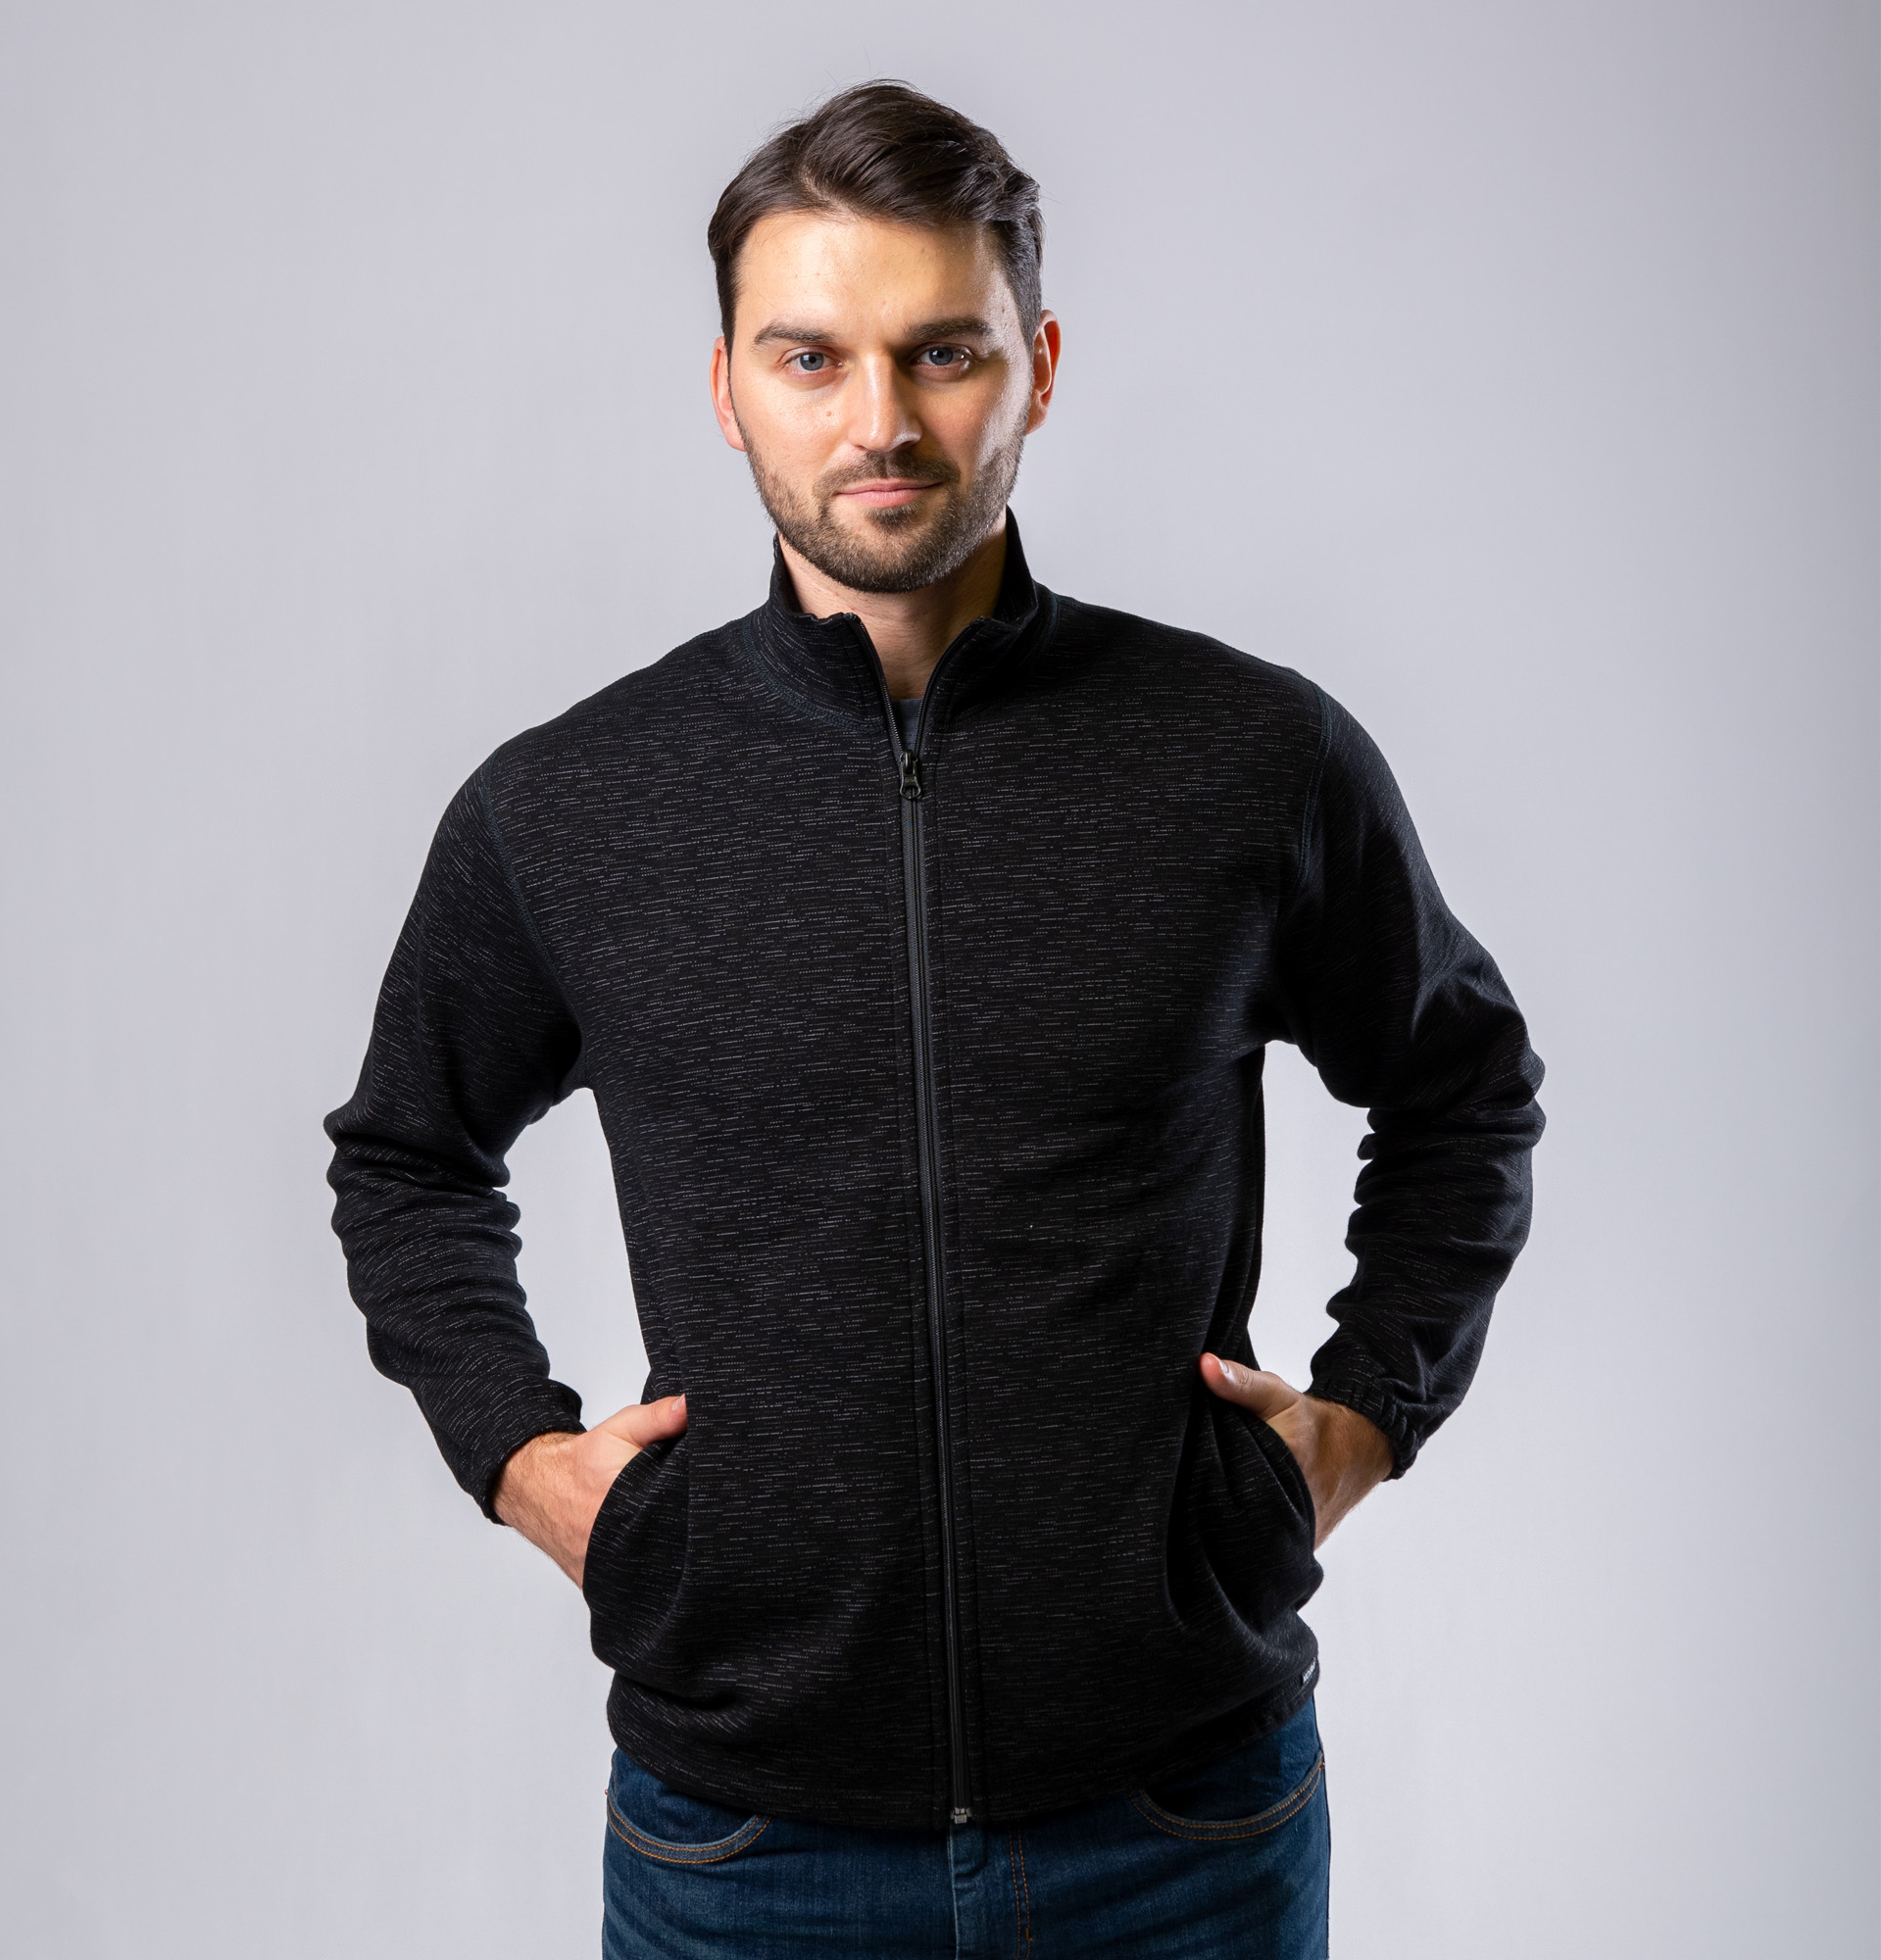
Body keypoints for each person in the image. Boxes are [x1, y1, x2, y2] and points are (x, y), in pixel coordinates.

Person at [323, 79, 1545, 1958]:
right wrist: (525, 1459)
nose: (879, 421)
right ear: (726, 387)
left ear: (1035, 367)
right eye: (810, 357)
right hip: (746, 1846)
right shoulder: (571, 805)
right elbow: (407, 1157)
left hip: (1181, 1824)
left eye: (942, 352)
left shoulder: (1245, 756)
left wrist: (1365, 1417)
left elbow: (1460, 1090)